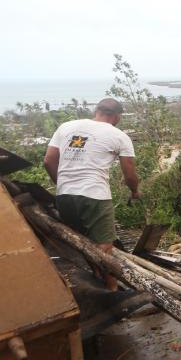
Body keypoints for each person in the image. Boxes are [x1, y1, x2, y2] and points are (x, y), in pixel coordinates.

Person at [43, 97, 139, 291]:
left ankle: (97, 279)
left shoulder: (66, 127)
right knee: (104, 247)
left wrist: (62, 183)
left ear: (97, 111)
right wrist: (135, 191)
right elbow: (129, 174)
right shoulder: (119, 135)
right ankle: (112, 291)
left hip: (64, 195)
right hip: (94, 195)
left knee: (82, 242)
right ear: (117, 116)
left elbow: (48, 161)